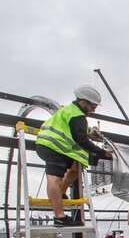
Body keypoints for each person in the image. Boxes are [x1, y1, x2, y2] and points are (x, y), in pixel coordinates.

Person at [35, 85, 114, 227]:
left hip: (54, 146)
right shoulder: (77, 115)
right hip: (53, 147)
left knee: (77, 166)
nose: (94, 109)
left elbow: (74, 130)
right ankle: (59, 217)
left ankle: (62, 193)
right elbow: (82, 140)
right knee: (55, 179)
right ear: (83, 103)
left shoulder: (70, 111)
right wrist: (103, 153)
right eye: (93, 106)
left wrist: (89, 131)